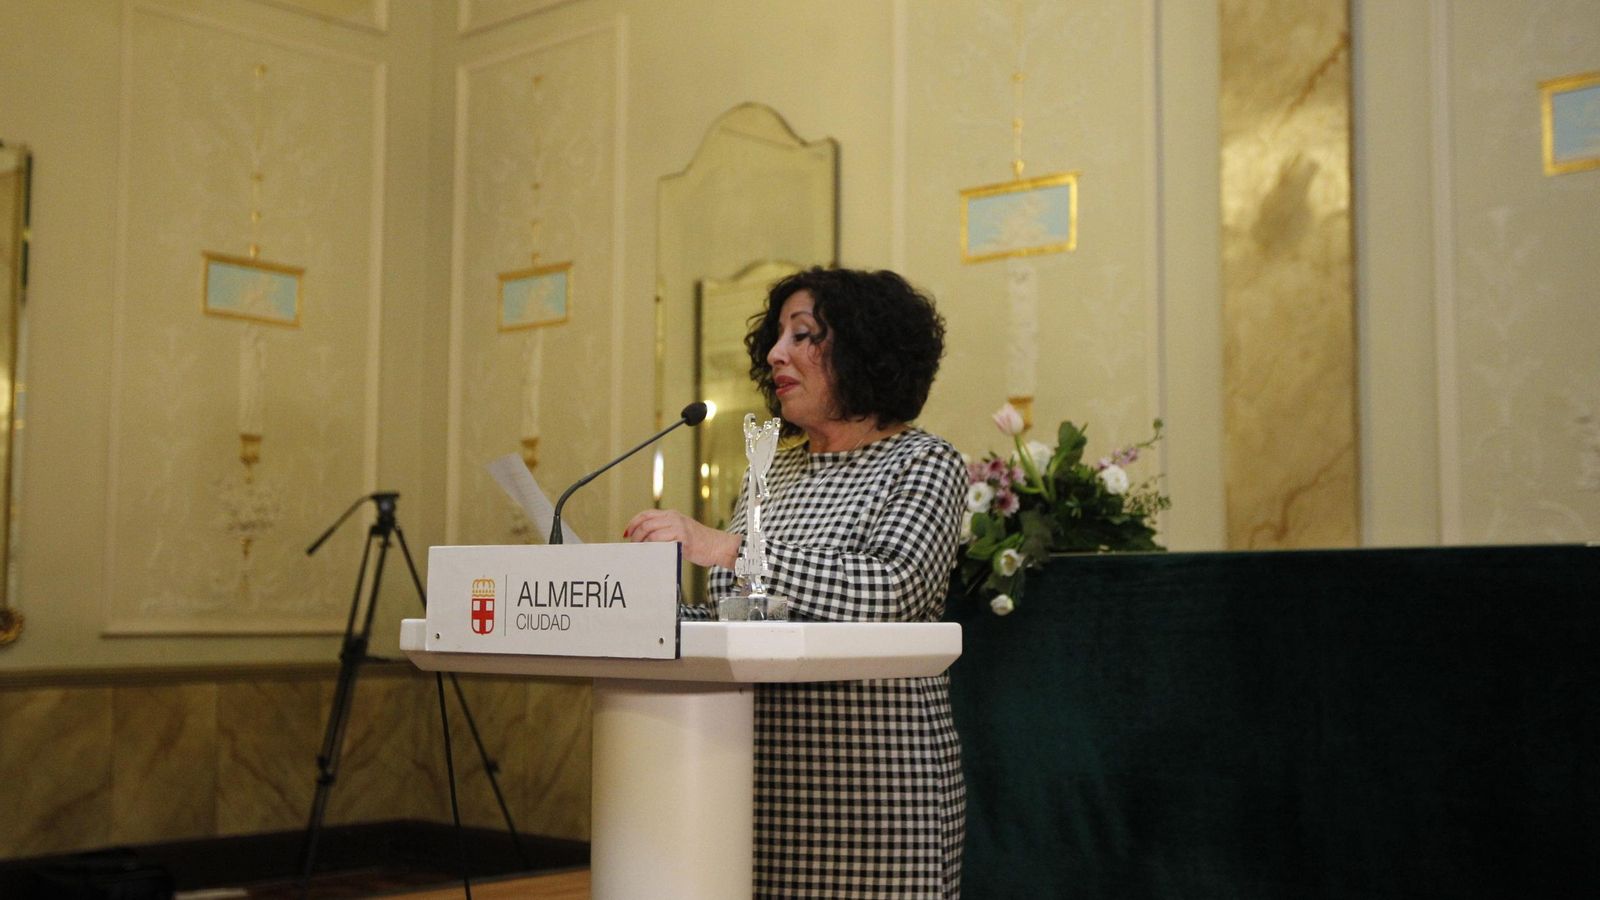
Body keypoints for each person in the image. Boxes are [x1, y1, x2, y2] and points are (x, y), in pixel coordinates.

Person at [625, 267, 967, 898]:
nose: (776, 354)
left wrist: (727, 547)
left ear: (866, 350)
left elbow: (892, 591)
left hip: (875, 790)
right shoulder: (771, 474)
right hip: (755, 780)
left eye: (803, 334)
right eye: (776, 339)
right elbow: (743, 616)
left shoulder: (923, 462)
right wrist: (639, 610)